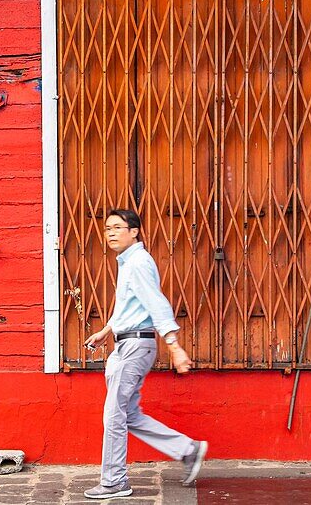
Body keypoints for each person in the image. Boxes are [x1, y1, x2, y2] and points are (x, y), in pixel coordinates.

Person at [82, 208, 208, 500]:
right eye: (107, 228)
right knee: (128, 414)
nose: (110, 233)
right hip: (126, 343)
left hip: (136, 346)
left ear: (134, 231)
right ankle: (187, 450)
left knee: (114, 415)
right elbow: (130, 305)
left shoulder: (138, 262)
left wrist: (174, 346)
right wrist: (107, 330)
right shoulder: (128, 263)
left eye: (117, 227)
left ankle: (114, 481)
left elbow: (156, 303)